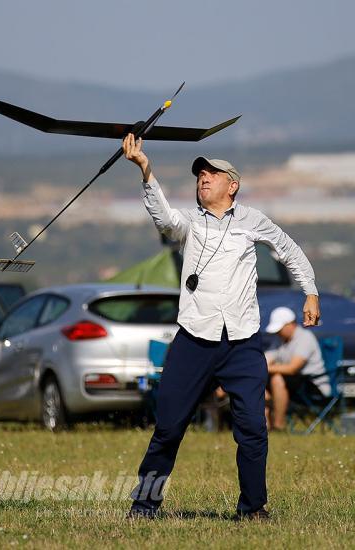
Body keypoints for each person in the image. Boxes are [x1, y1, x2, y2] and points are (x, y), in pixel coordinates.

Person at [122, 133, 320, 520]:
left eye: (212, 173)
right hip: (194, 339)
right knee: (168, 428)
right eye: (200, 174)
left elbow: (290, 251)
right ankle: (145, 506)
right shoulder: (189, 223)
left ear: (233, 185)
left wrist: (310, 292)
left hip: (243, 343)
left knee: (252, 429)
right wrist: (146, 171)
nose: (203, 178)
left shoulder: (253, 221)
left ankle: (252, 509)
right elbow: (164, 219)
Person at [264, 306, 331, 431]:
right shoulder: (280, 340)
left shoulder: (305, 337)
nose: (277, 333)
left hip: (312, 385)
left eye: (279, 329)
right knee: (259, 381)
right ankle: (264, 425)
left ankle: (279, 426)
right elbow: (266, 359)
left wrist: (264, 368)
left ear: (290, 324)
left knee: (276, 379)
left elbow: (292, 368)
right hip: (294, 384)